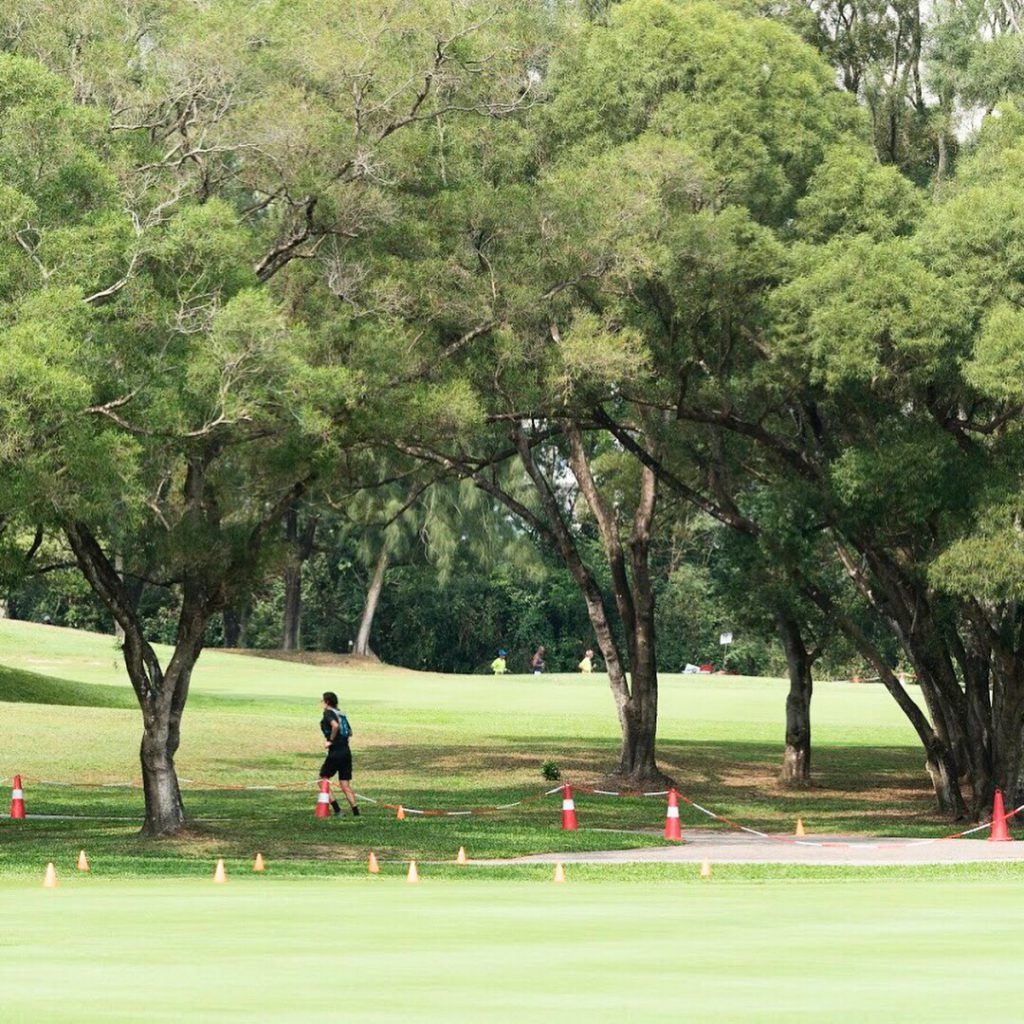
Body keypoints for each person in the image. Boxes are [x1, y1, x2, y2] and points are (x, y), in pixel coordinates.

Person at [318, 691, 359, 816]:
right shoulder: (341, 713)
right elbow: (350, 732)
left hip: (336, 751)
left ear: (327, 702)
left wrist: (330, 741)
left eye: (322, 700)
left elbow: (335, 726)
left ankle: (337, 810)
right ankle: (356, 813)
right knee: (345, 784)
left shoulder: (328, 713)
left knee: (322, 780)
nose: (321, 703)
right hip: (346, 751)